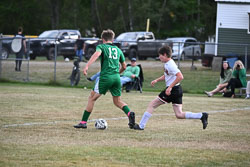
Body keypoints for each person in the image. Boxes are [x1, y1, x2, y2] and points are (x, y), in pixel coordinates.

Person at [133, 45, 208, 130]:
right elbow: (167, 75)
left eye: (160, 55)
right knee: (179, 114)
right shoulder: (167, 64)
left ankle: (141, 126)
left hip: (173, 90)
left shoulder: (170, 64)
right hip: (177, 89)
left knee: (152, 105)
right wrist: (157, 80)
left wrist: (170, 88)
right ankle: (202, 115)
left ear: (164, 54)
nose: (159, 57)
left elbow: (180, 76)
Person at [74, 29, 135, 129]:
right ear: (112, 39)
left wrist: (87, 66)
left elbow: (96, 54)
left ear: (102, 39)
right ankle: (129, 113)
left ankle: (83, 122)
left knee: (91, 98)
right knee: (117, 101)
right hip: (116, 78)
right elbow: (124, 67)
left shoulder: (101, 46)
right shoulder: (118, 50)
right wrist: (116, 74)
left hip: (106, 77)